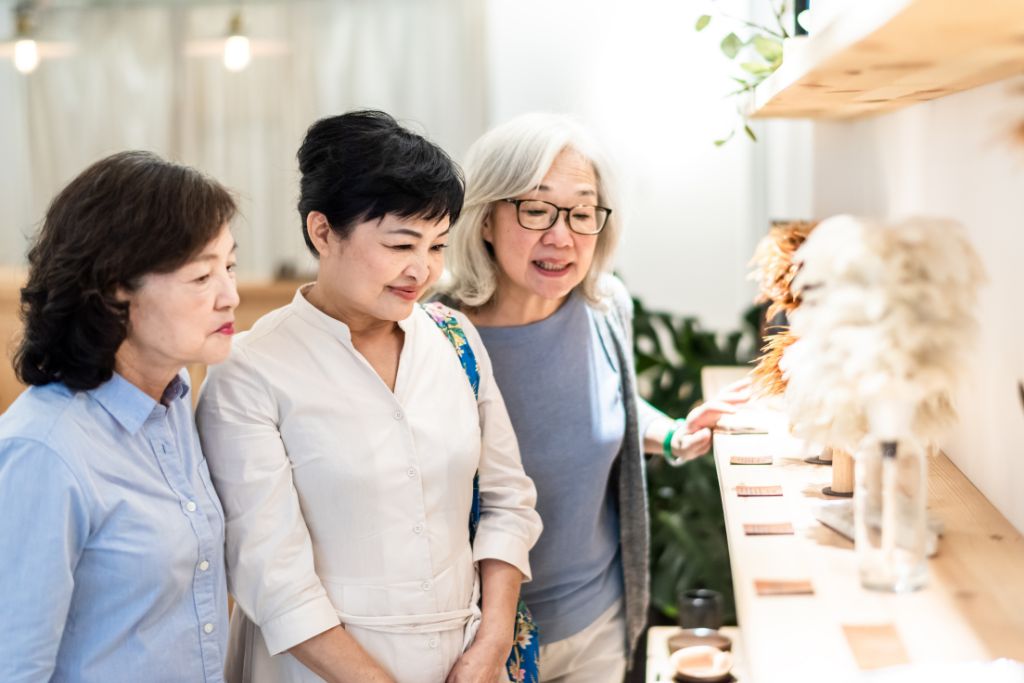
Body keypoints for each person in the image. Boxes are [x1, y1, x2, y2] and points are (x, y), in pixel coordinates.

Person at [195, 110, 542, 683]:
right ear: (322, 232)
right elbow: (272, 577)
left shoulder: (454, 340)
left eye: (437, 245)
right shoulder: (250, 370)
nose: (422, 269)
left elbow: (509, 502)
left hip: (467, 659)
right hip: (320, 668)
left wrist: (492, 641)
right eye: (401, 243)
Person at [439, 113, 748, 683]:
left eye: (582, 212)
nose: (562, 236)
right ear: (485, 219)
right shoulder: (436, 335)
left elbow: (614, 403)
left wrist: (675, 434)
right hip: (474, 641)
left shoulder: (606, 308)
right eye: (536, 209)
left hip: (598, 621)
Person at [0, 151, 239, 682]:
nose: (231, 296)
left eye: (230, 266)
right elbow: (16, 667)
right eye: (202, 276)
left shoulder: (175, 406)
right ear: (115, 287)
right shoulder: (45, 451)